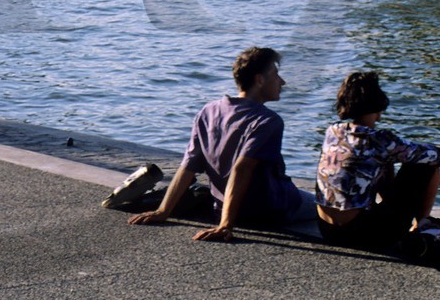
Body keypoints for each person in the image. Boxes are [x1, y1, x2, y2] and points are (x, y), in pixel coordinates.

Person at [129, 46, 309, 241]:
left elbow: (189, 165)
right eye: (275, 75)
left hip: (222, 207)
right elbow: (241, 169)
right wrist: (225, 226)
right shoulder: (268, 121)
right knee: (321, 204)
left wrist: (163, 211)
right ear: (259, 80)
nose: (282, 82)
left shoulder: (209, 111)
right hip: (269, 209)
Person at [314, 70, 440, 252]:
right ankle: (421, 226)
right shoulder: (381, 140)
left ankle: (411, 224)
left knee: (381, 161)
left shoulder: (333, 131)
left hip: (327, 230)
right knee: (426, 166)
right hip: (359, 235)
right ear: (379, 106)